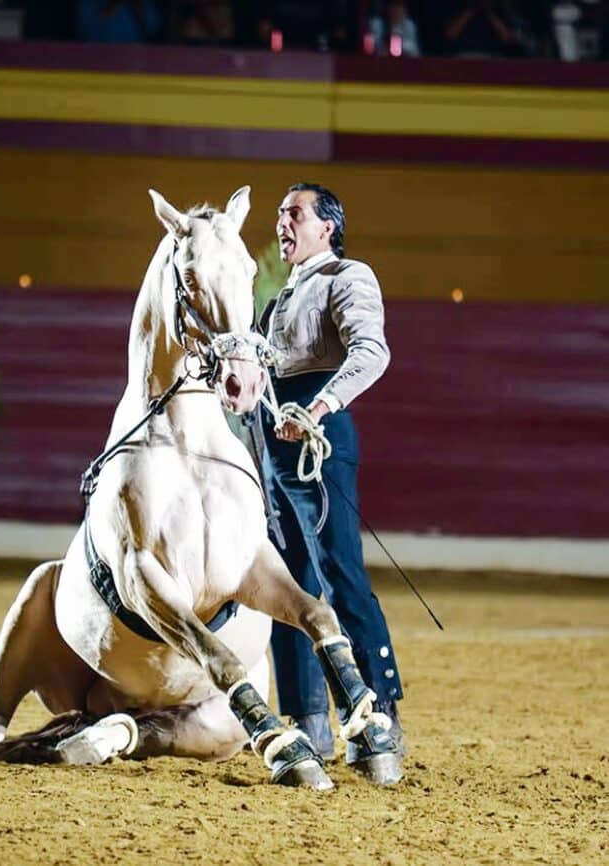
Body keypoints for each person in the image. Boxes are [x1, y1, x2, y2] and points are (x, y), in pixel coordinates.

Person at [260, 183, 404, 781]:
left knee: (340, 573)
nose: (282, 223)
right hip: (272, 442)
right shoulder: (272, 300)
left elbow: (372, 351)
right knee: (285, 587)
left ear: (328, 227)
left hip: (319, 439)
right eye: (279, 214)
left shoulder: (348, 275)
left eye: (295, 213)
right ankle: (305, 720)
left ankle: (379, 715)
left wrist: (318, 409)